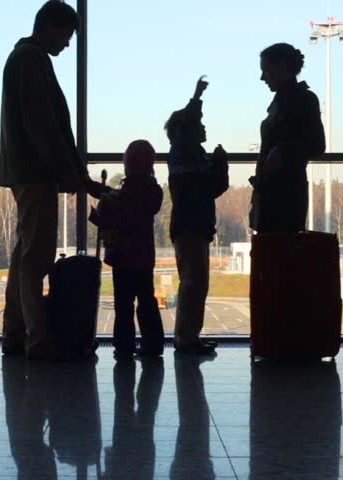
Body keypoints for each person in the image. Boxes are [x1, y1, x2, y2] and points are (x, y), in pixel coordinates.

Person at [0, 1, 87, 360]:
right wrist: (66, 169)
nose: (67, 44)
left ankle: (16, 333)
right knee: (36, 260)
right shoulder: (31, 60)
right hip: (36, 173)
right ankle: (37, 339)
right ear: (51, 26)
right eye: (66, 35)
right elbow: (43, 123)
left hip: (27, 171)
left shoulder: (25, 58)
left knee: (25, 257)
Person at [165, 77, 229, 355]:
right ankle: (186, 338)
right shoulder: (184, 150)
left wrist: (219, 166)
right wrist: (196, 96)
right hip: (191, 225)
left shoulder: (191, 155)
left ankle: (189, 336)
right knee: (193, 283)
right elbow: (211, 188)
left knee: (196, 284)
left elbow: (212, 188)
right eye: (199, 125)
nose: (203, 128)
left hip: (194, 225)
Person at [87, 140, 165, 360]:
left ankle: (124, 347)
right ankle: (152, 344)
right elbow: (127, 205)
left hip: (122, 256)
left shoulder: (124, 193)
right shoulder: (152, 192)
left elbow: (116, 211)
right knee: (146, 301)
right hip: (143, 256)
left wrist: (98, 213)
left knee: (123, 304)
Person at [249, 43, 325, 233]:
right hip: (281, 194)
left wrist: (282, 151)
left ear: (281, 67)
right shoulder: (297, 100)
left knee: (276, 254)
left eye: (266, 70)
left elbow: (317, 144)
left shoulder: (299, 100)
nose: (262, 77)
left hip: (283, 197)